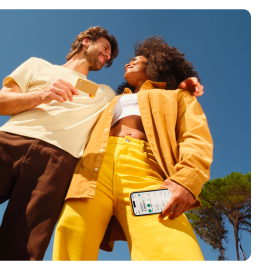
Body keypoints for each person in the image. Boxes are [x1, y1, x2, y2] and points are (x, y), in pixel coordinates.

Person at [0, 27, 203, 261]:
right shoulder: (38, 65)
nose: (108, 57)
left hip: (61, 163)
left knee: (24, 247)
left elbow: (158, 106)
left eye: (109, 57)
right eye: (105, 49)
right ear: (87, 41)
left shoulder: (106, 94)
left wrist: (182, 83)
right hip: (10, 142)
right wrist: (43, 94)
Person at [52, 36, 213, 261]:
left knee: (172, 246)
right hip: (92, 170)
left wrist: (187, 179)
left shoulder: (177, 96)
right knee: (71, 235)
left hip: (145, 169)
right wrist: (78, 55)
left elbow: (195, 137)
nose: (127, 63)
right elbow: (70, 78)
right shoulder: (106, 96)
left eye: (136, 59)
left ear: (156, 64)